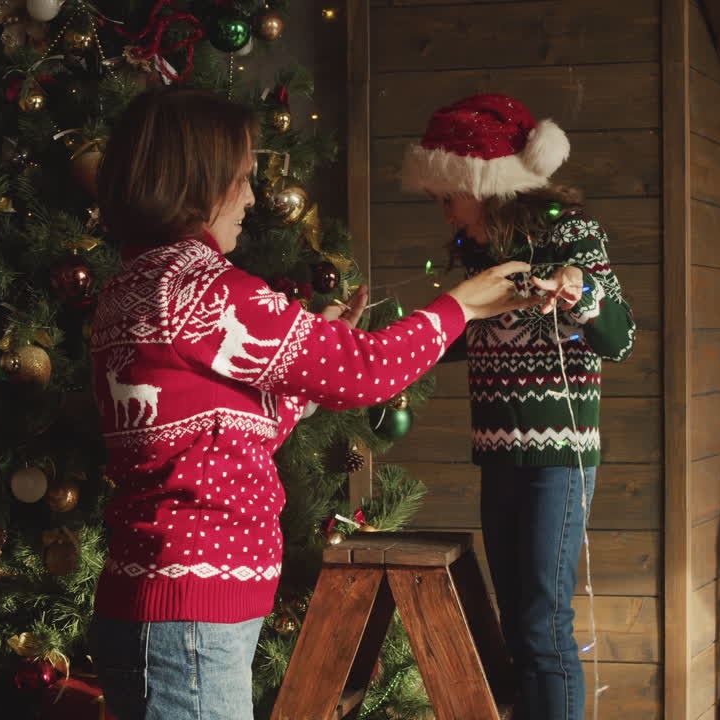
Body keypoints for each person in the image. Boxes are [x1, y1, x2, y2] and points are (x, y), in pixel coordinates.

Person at [85, 87, 544, 720]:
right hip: (188, 616)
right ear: (196, 181)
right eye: (242, 179)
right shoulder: (200, 288)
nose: (251, 198)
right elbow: (368, 370)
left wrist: (298, 360)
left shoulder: (140, 282)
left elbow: (221, 429)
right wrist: (459, 306)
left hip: (171, 604)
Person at [401, 93, 636, 720]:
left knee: (542, 628)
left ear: (488, 186)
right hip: (500, 456)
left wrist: (582, 294)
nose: (445, 211)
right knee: (520, 627)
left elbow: (619, 336)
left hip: (558, 461)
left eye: (450, 196)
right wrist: (384, 336)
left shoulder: (571, 232)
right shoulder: (481, 252)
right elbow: (458, 335)